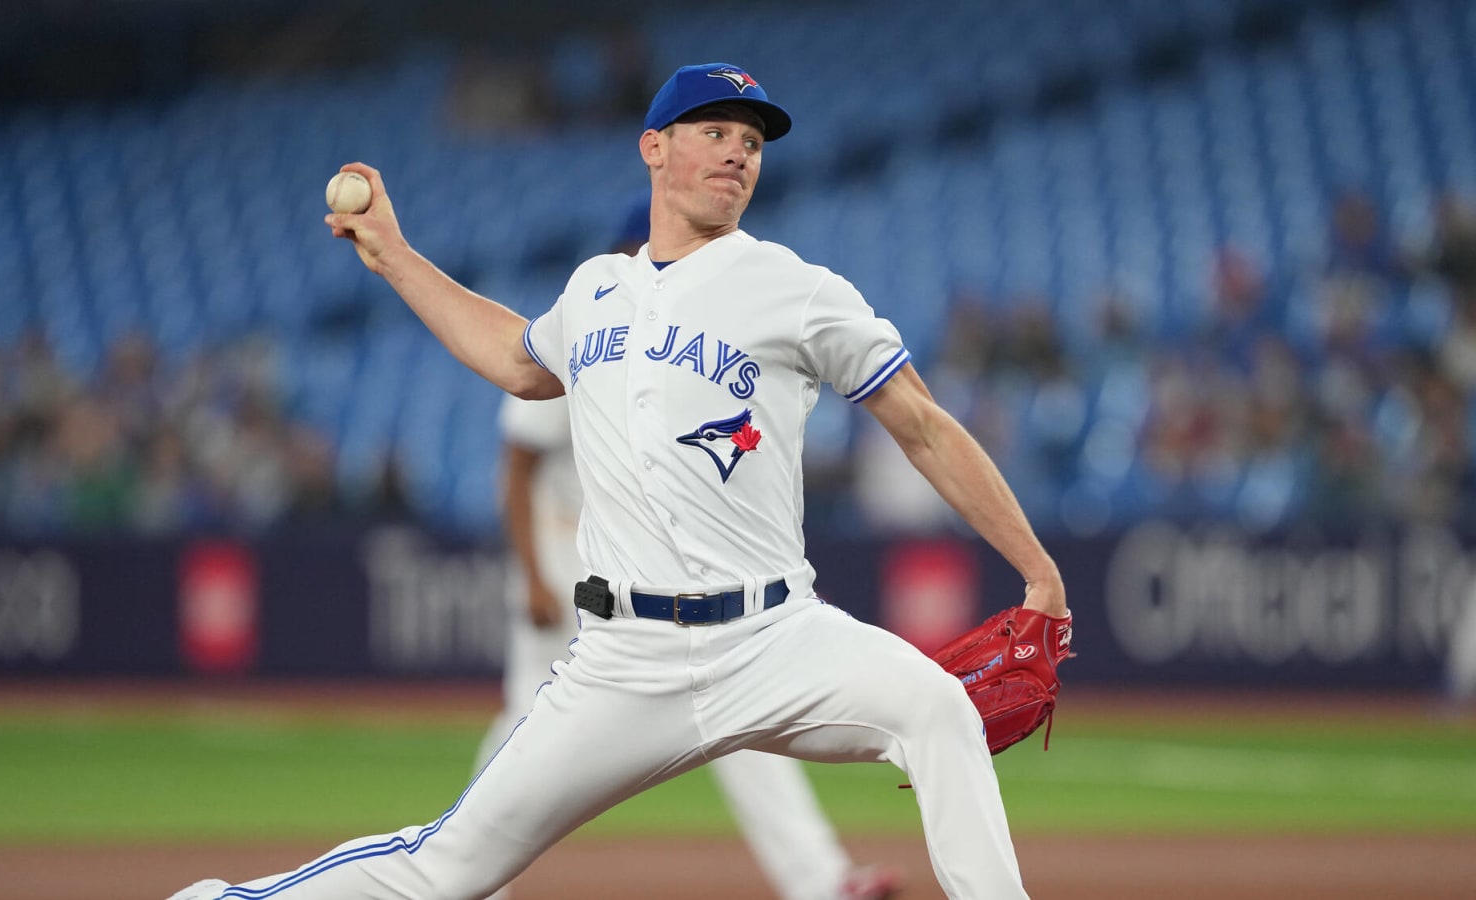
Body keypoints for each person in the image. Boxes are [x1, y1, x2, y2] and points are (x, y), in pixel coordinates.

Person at [171, 61, 1067, 900]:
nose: (737, 154)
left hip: (776, 636)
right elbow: (521, 361)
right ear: (653, 147)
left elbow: (919, 421)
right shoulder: (598, 287)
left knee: (937, 709)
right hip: (623, 661)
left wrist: (1037, 569)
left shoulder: (793, 287)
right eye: (714, 130)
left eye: (752, 143)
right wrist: (396, 255)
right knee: (451, 867)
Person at [481, 387, 900, 899]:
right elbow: (516, 465)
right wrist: (532, 576)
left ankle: (821, 881)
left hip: (638, 567)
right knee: (526, 722)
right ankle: (466, 877)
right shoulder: (568, 345)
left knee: (735, 705)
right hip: (561, 556)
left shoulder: (663, 340)